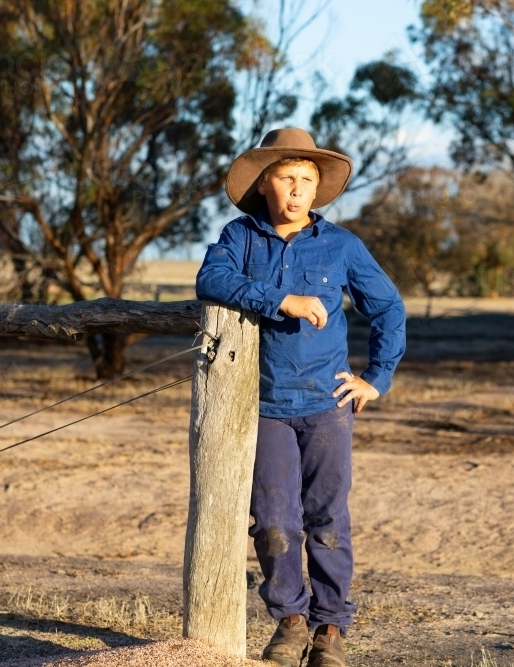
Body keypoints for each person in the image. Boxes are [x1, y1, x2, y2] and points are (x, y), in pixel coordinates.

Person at [195, 127, 406, 667]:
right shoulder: (239, 238)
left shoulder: (342, 246)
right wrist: (281, 298)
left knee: (327, 519)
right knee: (272, 519)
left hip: (327, 406)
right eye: (286, 178)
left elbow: (388, 308)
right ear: (265, 184)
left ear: (317, 189)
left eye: (307, 180)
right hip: (263, 406)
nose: (297, 190)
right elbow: (211, 280)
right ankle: (290, 620)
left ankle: (330, 626)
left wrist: (376, 377)